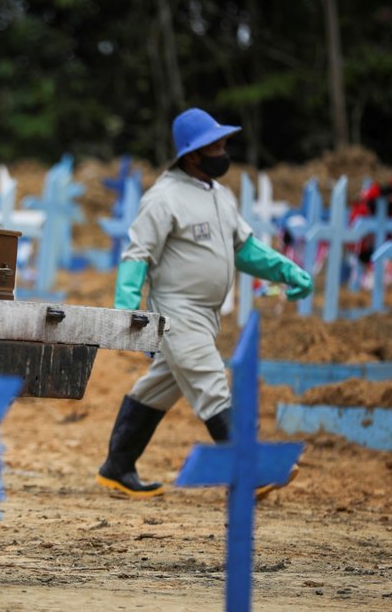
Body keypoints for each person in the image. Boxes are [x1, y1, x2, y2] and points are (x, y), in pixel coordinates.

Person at [95, 108, 313, 499]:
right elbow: (137, 255)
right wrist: (128, 313)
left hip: (206, 315)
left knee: (159, 388)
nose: (223, 151)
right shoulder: (163, 197)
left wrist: (285, 269)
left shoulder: (220, 196)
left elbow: (243, 248)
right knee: (212, 385)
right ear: (192, 154)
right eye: (216, 145)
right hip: (175, 313)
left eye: (224, 143)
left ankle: (117, 466)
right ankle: (248, 472)